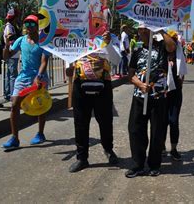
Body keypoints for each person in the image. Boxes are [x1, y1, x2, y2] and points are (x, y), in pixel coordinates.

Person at [126, 25, 176, 178]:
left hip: (158, 97)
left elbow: (172, 46)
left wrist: (159, 29)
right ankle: (138, 165)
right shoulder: (137, 51)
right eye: (140, 29)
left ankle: (154, 164)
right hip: (140, 97)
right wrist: (140, 85)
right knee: (135, 130)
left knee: (157, 132)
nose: (143, 32)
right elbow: (131, 74)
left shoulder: (161, 47)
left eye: (146, 28)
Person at [68, 31, 121, 173]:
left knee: (105, 120)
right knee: (80, 122)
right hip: (80, 85)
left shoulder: (111, 37)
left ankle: (108, 150)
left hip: (103, 85)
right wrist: (68, 65)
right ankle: (82, 158)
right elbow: (68, 57)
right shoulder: (77, 37)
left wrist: (108, 43)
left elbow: (116, 60)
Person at [1, 15, 50, 150]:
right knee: (15, 104)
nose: (29, 27)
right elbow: (6, 57)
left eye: (32, 24)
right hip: (23, 78)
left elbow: (44, 61)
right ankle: (14, 138)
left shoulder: (44, 41)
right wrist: (6, 46)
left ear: (37, 26)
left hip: (40, 78)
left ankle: (40, 133)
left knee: (40, 106)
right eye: (26, 24)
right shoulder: (21, 40)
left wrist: (39, 76)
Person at [162, 31, 187, 161]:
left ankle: (173, 148)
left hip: (175, 93)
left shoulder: (179, 54)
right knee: (161, 121)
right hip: (161, 93)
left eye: (173, 40)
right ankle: (160, 146)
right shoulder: (160, 54)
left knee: (173, 121)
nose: (171, 43)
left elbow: (182, 74)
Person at [3, 8, 21, 102]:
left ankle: (8, 94)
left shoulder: (13, 26)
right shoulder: (9, 27)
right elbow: (10, 38)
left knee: (9, 75)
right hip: (11, 54)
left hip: (13, 54)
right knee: (13, 75)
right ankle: (12, 95)